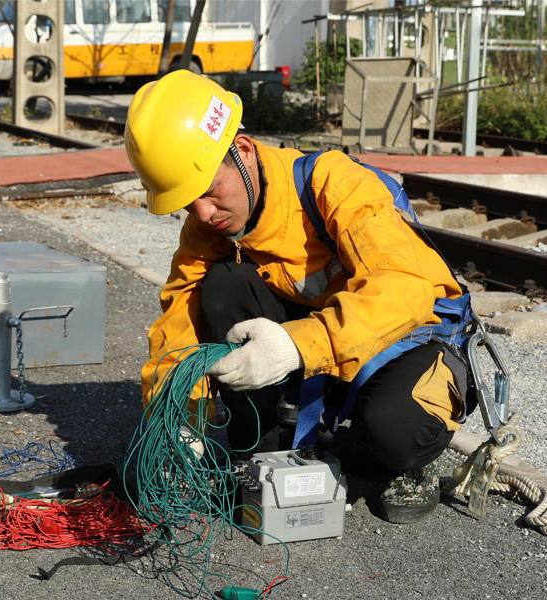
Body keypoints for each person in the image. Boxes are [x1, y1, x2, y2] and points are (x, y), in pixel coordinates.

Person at [125, 70, 472, 524]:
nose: (203, 214)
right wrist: (179, 420)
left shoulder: (334, 183)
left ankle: (408, 464)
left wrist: (295, 346)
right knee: (222, 286)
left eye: (208, 191)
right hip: (322, 346)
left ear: (243, 150)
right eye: (188, 203)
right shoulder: (209, 228)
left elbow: (404, 287)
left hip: (407, 336)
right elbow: (179, 325)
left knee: (394, 430)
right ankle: (262, 449)